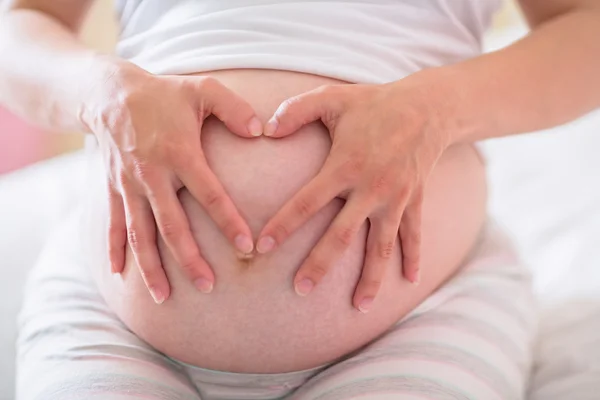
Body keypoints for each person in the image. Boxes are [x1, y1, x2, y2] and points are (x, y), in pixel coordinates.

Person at [2, 0, 599, 399]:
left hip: (419, 315)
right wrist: (94, 92)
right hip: (116, 306)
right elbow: (21, 23)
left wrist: (436, 109)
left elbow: (586, 31)